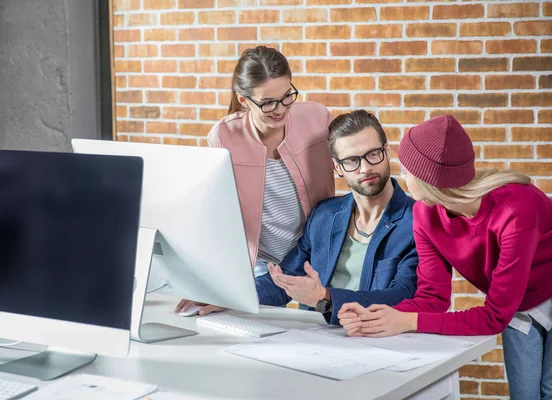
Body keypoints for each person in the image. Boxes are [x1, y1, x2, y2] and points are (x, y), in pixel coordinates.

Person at [339, 114, 552, 400]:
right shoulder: (425, 215)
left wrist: (409, 321)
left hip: (534, 295)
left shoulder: (515, 210)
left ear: (427, 180)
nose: (403, 175)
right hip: (518, 305)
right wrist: (378, 318)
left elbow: (493, 317)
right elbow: (432, 298)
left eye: (407, 169)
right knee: (525, 395)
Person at [176, 46, 334, 315]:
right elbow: (216, 214)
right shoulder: (224, 136)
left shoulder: (317, 119)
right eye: (268, 102)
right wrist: (208, 283)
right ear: (244, 100)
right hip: (261, 259)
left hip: (314, 253)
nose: (280, 109)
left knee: (319, 328)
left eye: (287, 97)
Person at [256, 110, 418, 325]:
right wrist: (231, 300)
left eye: (373, 154)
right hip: (314, 341)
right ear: (338, 167)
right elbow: (285, 279)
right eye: (352, 160)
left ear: (387, 152)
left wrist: (324, 298)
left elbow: (403, 295)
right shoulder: (324, 215)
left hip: (377, 340)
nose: (365, 168)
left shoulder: (417, 221)